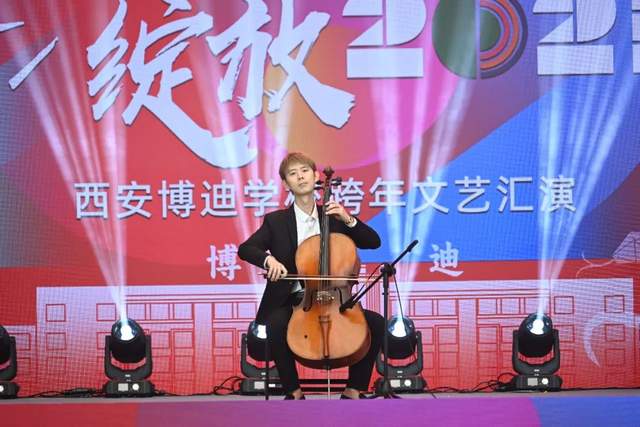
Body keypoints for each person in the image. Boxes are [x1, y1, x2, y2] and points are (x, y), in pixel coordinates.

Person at [238, 152, 385, 400]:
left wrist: (348, 219)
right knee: (276, 324)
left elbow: (373, 242)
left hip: (336, 299)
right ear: (286, 184)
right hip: (296, 301)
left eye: (305, 171)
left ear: (316, 176)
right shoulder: (276, 221)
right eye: (293, 174)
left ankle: (354, 389)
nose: (300, 177)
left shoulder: (334, 217)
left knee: (376, 323)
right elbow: (246, 249)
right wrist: (268, 260)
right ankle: (293, 391)